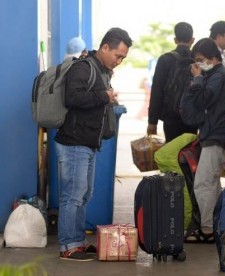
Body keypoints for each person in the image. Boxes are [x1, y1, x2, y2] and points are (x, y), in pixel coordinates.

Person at [54, 27, 132, 261]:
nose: (119, 61)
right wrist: (104, 96)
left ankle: (77, 241)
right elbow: (73, 97)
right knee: (73, 195)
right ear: (105, 47)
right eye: (118, 55)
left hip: (88, 143)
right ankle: (68, 246)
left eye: (123, 58)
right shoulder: (83, 67)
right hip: (74, 142)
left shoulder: (102, 71)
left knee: (85, 194)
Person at [183, 37, 225, 240]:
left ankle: (207, 230)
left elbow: (205, 98)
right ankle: (215, 225)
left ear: (213, 58)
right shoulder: (217, 74)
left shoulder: (218, 76)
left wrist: (197, 80)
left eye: (201, 59)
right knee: (212, 184)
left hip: (215, 137)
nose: (198, 64)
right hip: (216, 136)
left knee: (203, 184)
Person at [147, 22, 198, 142]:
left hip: (171, 118)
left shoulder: (165, 59)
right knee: (190, 153)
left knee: (171, 153)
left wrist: (152, 122)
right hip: (192, 117)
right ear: (192, 40)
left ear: (175, 39)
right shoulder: (197, 60)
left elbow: (157, 92)